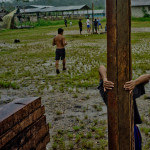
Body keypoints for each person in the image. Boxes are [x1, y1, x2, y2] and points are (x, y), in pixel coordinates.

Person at [98, 65, 150, 150]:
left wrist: (104, 79)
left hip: (118, 129)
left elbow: (101, 68)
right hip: (126, 129)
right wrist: (135, 82)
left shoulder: (107, 89)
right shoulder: (128, 89)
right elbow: (147, 77)